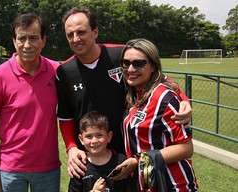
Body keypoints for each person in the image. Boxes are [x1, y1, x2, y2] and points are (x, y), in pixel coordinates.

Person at [56, 6, 192, 179]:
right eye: (70, 35)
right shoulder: (64, 72)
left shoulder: (121, 55)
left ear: (95, 32)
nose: (76, 39)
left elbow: (158, 77)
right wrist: (72, 147)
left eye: (81, 32)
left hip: (129, 152)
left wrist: (184, 99)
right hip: (91, 155)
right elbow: (66, 116)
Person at [0, 13, 61, 192]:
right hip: (10, 169)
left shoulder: (57, 72)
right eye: (21, 38)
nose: (27, 44)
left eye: (34, 38)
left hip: (48, 169)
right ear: (14, 40)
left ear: (43, 40)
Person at [114, 38, 198, 192]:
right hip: (149, 187)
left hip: (171, 188)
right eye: (125, 63)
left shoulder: (165, 98)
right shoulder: (137, 92)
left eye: (139, 63)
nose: (130, 68)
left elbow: (186, 148)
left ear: (153, 66)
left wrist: (137, 161)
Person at [67, 111, 131, 192]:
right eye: (89, 136)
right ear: (81, 139)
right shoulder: (80, 164)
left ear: (109, 136)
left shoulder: (121, 161)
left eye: (99, 135)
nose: (94, 141)